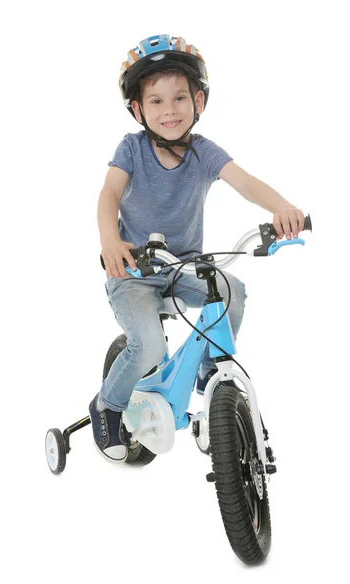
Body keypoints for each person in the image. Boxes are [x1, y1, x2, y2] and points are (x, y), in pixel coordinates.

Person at [89, 34, 305, 463]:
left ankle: (210, 376)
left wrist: (282, 207)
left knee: (231, 291)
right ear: (137, 109)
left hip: (184, 268)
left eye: (180, 98)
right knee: (149, 345)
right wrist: (110, 240)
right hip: (134, 272)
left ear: (199, 101)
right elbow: (109, 194)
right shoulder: (132, 149)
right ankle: (107, 405)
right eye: (156, 101)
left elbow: (245, 182)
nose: (169, 110)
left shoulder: (204, 153)